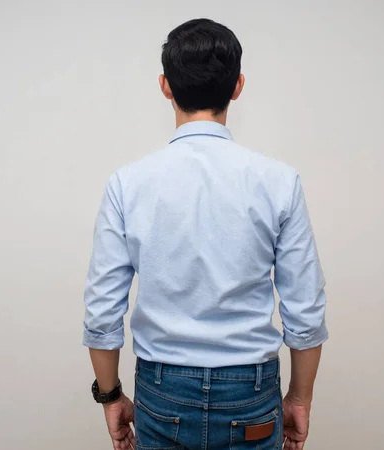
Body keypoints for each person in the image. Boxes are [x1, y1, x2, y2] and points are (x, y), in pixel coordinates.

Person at [82, 18, 328, 450]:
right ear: (237, 86)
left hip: (163, 389)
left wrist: (111, 396)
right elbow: (304, 312)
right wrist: (299, 399)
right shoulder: (278, 181)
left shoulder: (128, 183)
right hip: (250, 393)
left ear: (165, 86)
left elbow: (103, 312)